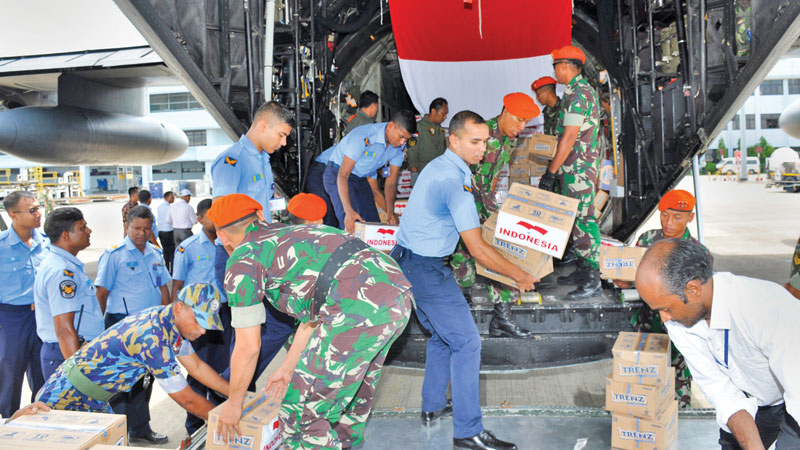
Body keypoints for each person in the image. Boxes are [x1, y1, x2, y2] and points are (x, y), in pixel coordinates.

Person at [209, 193, 412, 450]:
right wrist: (287, 368)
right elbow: (313, 314)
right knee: (349, 401)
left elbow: (248, 348)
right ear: (260, 216)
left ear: (223, 236)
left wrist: (234, 403)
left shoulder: (243, 260)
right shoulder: (296, 232)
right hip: (395, 295)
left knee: (301, 417)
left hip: (355, 311)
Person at [390, 111, 538, 450]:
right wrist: (518, 275)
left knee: (445, 338)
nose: (483, 148)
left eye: (485, 141)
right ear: (452, 140)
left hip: (410, 261)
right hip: (426, 269)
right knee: (468, 343)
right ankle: (468, 432)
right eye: (475, 142)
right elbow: (477, 249)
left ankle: (432, 407)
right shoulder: (455, 183)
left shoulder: (441, 168)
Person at [636, 238, 800, 450]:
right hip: (752, 401)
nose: (664, 318)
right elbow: (720, 390)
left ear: (693, 289)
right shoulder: (680, 321)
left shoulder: (767, 310)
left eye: (666, 308)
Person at [35, 283, 231, 436]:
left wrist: (237, 396)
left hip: (95, 399)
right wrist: (228, 420)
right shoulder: (152, 339)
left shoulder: (168, 321)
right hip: (64, 399)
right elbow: (188, 400)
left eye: (207, 325)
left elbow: (197, 367)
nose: (203, 331)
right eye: (198, 321)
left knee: (115, 440)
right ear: (180, 308)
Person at [210, 101, 297, 395]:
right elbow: (223, 217)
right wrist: (243, 261)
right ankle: (227, 390)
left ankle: (233, 386)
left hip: (262, 255)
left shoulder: (261, 159)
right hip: (238, 256)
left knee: (277, 326)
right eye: (281, 135)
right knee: (247, 332)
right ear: (263, 126)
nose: (283, 143)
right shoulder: (232, 161)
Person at [450, 93, 540, 338]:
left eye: (525, 122)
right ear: (506, 114)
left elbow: (492, 179)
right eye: (519, 120)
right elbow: (467, 178)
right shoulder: (483, 137)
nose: (522, 127)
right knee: (464, 262)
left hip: (484, 204)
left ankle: (502, 319)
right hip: (466, 205)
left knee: (500, 254)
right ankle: (461, 319)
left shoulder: (506, 138)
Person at [613, 189, 698, 408]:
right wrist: (625, 280)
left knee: (676, 396)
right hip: (647, 326)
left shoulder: (697, 253)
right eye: (664, 215)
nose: (668, 222)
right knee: (642, 387)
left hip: (678, 334)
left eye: (677, 217)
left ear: (690, 217)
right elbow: (632, 272)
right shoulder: (648, 239)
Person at [95, 205, 171, 444]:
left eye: (147, 228)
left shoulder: (155, 254)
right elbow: (101, 293)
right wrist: (100, 330)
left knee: (145, 380)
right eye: (137, 228)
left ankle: (139, 428)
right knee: (121, 382)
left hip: (151, 327)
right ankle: (116, 431)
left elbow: (163, 289)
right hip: (122, 327)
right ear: (127, 226)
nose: (142, 233)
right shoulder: (114, 255)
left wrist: (166, 323)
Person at [538, 45, 603, 300]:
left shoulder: (579, 94)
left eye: (555, 65)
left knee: (585, 221)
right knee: (575, 220)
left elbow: (569, 137)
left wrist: (551, 172)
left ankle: (593, 277)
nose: (554, 70)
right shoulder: (575, 92)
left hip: (578, 170)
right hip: (575, 168)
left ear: (565, 65)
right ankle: (584, 269)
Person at [170, 198, 229, 435]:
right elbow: (178, 285)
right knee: (197, 370)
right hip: (196, 318)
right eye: (210, 216)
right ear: (199, 218)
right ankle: (195, 427)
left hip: (223, 313)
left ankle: (223, 415)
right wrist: (178, 319)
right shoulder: (188, 247)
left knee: (223, 368)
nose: (216, 221)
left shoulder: (228, 243)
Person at [34, 207, 104, 380]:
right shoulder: (62, 271)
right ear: (66, 235)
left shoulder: (66, 265)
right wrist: (78, 377)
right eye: (83, 228)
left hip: (74, 351)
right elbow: (64, 329)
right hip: (68, 353)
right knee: (71, 407)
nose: (89, 231)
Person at [323, 110, 416, 233]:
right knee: (352, 224)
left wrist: (390, 212)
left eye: (406, 139)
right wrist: (348, 211)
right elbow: (342, 175)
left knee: (373, 225)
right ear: (390, 126)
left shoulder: (399, 148)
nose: (403, 142)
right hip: (338, 174)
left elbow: (391, 182)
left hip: (360, 178)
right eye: (401, 136)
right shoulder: (363, 136)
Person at [0, 191, 48, 418]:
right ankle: (8, 421)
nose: (38, 214)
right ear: (13, 215)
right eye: (32, 210)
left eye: (39, 208)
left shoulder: (46, 243)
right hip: (12, 317)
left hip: (43, 315)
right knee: (10, 371)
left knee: (43, 371)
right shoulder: (1, 247)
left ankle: (39, 419)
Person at [409, 98, 449, 186]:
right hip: (423, 171)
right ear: (433, 111)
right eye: (443, 114)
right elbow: (412, 150)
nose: (445, 117)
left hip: (439, 173)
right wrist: (414, 173)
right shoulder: (418, 127)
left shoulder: (440, 129)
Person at [305, 147, 340, 228]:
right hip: (321, 170)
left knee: (333, 212)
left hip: (329, 169)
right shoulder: (358, 146)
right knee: (325, 212)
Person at [157, 191, 176, 273]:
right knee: (172, 251)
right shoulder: (171, 208)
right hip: (169, 231)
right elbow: (172, 219)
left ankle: (166, 269)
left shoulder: (159, 207)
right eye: (172, 197)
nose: (173, 198)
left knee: (165, 250)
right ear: (167, 197)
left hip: (161, 231)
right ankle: (172, 270)